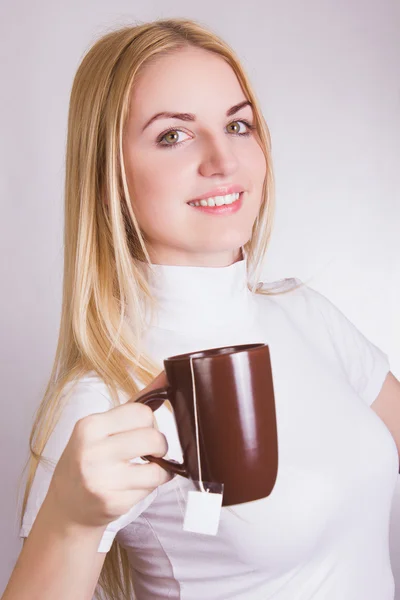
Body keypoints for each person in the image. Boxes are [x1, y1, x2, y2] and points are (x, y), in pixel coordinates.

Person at [2, 16, 399, 600]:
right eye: (172, 135)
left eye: (238, 125)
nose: (223, 160)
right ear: (110, 173)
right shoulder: (102, 398)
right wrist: (68, 521)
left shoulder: (304, 312)